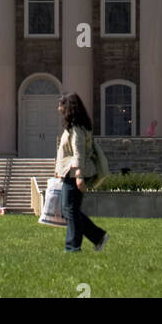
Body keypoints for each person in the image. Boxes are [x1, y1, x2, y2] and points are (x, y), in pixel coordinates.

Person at [55, 93, 109, 254]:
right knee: (70, 210)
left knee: (69, 210)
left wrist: (79, 176)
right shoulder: (75, 127)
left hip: (74, 174)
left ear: (68, 107)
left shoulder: (77, 129)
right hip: (68, 172)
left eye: (61, 105)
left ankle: (73, 247)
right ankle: (97, 236)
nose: (59, 108)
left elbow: (79, 153)